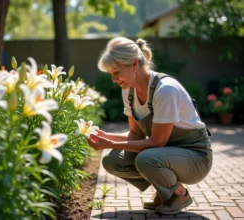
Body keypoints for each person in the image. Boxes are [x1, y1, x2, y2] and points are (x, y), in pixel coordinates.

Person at [88, 37, 213, 214]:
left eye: (116, 72)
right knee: (112, 160)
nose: (113, 79)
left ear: (134, 64)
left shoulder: (165, 90)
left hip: (195, 158)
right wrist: (104, 136)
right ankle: (165, 191)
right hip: (167, 155)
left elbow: (157, 142)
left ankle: (178, 193)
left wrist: (111, 144)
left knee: (146, 158)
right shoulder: (128, 91)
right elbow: (135, 135)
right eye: (110, 74)